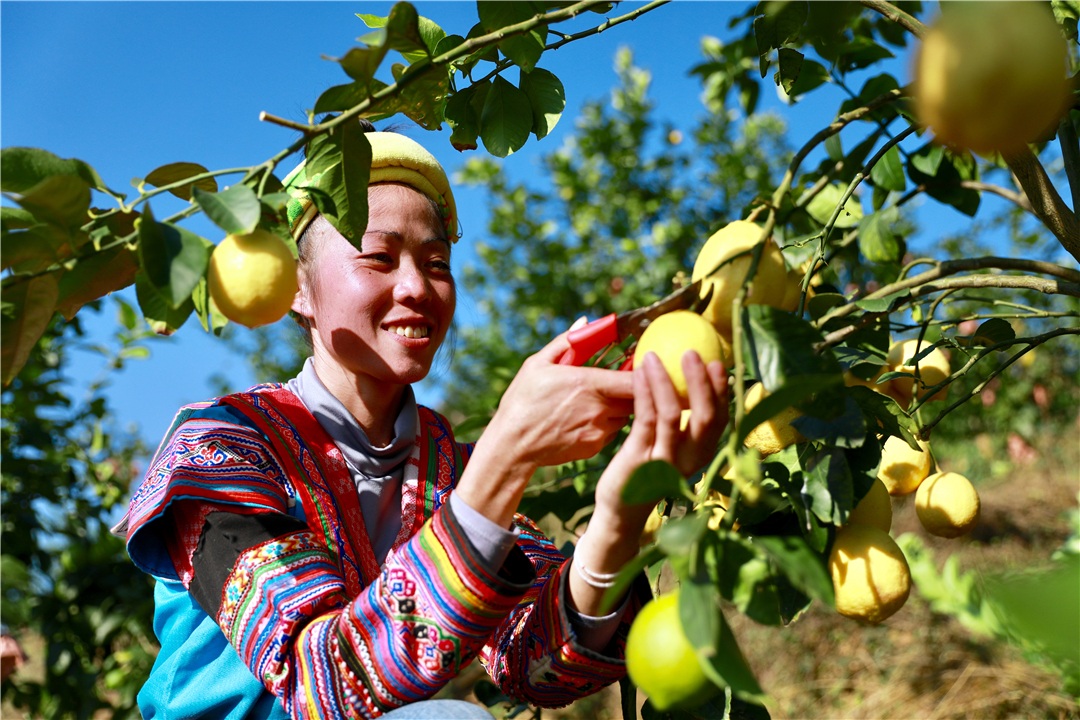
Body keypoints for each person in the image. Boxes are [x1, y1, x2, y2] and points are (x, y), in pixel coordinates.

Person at [113, 125, 728, 720]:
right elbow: (319, 675)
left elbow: (535, 664)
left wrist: (617, 519)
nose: (416, 286)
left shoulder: (448, 470)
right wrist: (506, 454)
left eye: (436, 263)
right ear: (299, 288)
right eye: (378, 257)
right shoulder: (222, 449)